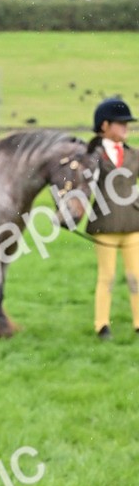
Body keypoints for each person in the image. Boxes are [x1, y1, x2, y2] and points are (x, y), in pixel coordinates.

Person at [86, 97, 139, 339]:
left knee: (135, 277)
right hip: (106, 225)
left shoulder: (134, 155)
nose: (126, 128)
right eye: (121, 123)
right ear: (105, 125)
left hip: (133, 223)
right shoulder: (93, 156)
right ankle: (102, 324)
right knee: (106, 276)